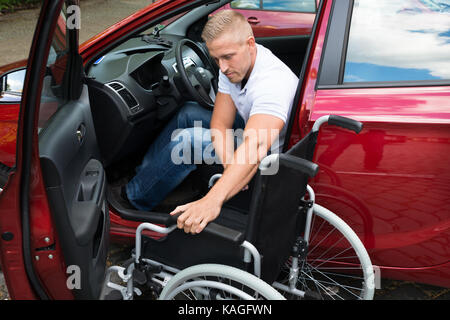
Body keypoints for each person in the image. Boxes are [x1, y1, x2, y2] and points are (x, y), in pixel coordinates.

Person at [125, 10, 298, 234]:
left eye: (227, 57)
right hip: (248, 134)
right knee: (188, 112)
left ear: (250, 43)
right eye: (216, 59)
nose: (222, 68)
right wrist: (229, 164)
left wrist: (212, 201)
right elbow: (220, 124)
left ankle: (135, 199)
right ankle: (146, 175)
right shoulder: (236, 65)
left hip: (272, 159)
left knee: (189, 141)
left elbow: (255, 147)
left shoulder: (271, 84)